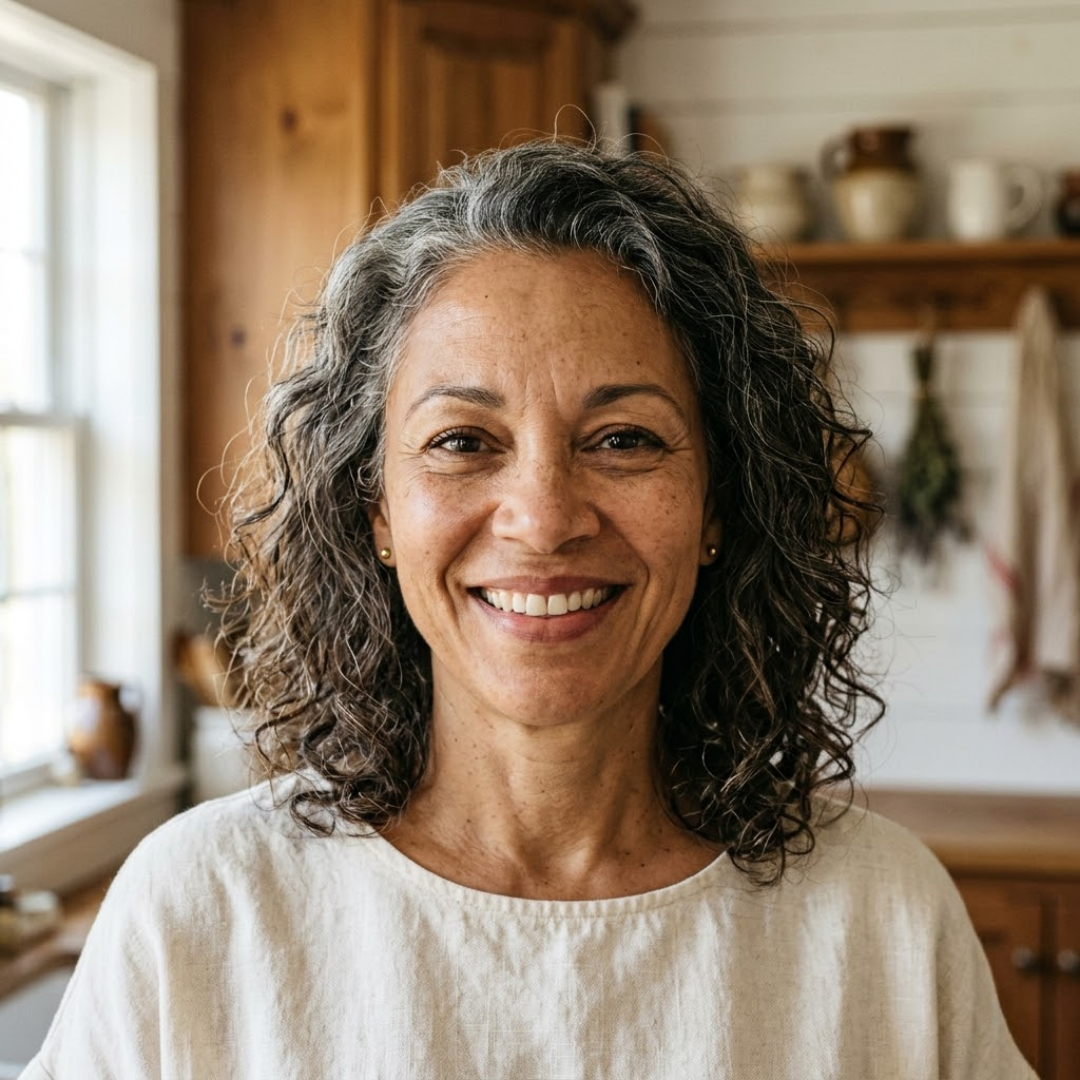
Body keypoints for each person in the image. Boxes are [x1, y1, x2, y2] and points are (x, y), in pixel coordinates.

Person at [24, 141, 1034, 1079]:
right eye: (463, 441)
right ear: (375, 509)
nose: (544, 520)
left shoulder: (884, 922)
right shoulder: (202, 910)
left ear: (719, 505)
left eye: (626, 439)